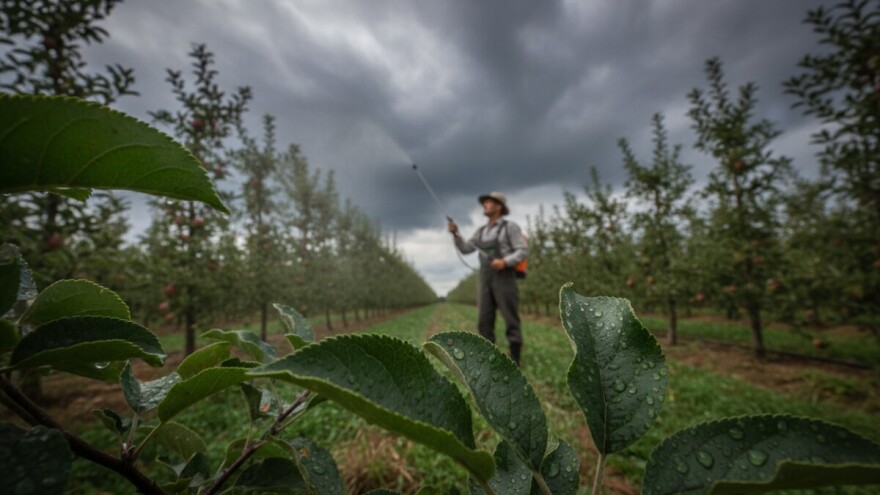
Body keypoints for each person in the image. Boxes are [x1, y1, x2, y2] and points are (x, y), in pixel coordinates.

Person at [448, 192, 528, 366]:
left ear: (499, 206)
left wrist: (505, 261)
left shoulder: (510, 227)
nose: (484, 205)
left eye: (489, 202)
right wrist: (456, 234)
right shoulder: (481, 231)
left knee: (510, 316)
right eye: (484, 202)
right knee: (484, 318)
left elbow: (522, 250)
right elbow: (466, 249)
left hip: (505, 277)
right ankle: (488, 356)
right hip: (484, 278)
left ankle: (515, 357)